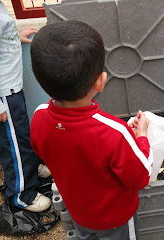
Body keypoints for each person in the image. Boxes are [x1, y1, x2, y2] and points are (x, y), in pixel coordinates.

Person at [29, 20, 153, 240]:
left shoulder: (38, 117)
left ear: (39, 79)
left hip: (79, 213)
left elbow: (44, 150)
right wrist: (141, 136)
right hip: (116, 220)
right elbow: (140, 178)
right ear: (101, 81)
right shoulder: (115, 131)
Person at [0, 0, 51, 212]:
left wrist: (15, 38)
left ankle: (30, 169)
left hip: (10, 92)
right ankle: (23, 195)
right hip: (2, 97)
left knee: (21, 138)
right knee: (14, 146)